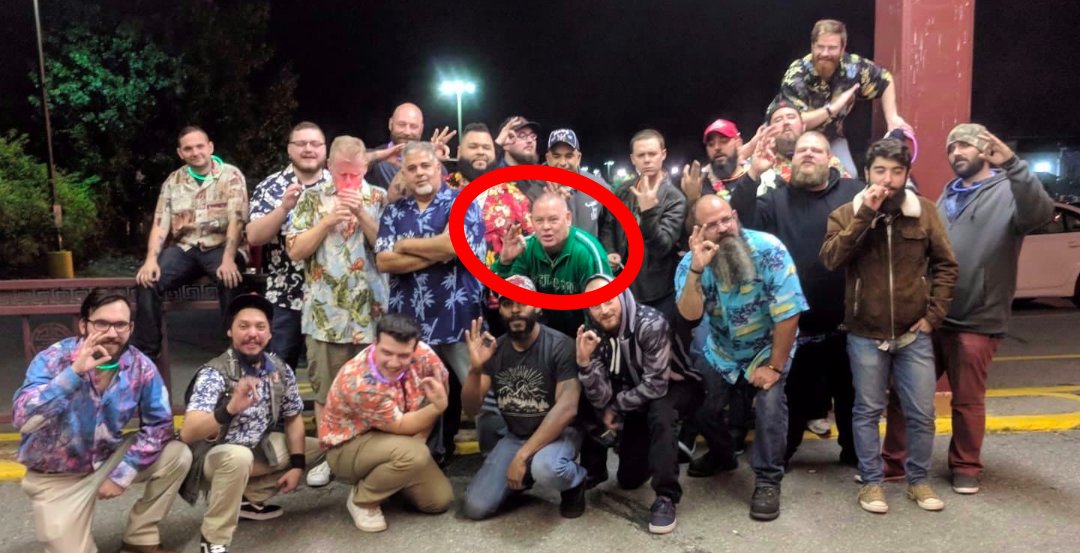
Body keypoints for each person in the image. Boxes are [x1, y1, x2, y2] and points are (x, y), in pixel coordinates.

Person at [879, 125, 1054, 495]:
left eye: (965, 145)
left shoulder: (1008, 191)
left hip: (978, 317)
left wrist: (1014, 164)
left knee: (967, 400)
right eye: (952, 147)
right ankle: (893, 462)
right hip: (931, 316)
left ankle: (965, 467)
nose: (957, 152)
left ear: (984, 150)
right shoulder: (948, 194)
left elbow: (1040, 213)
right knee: (905, 392)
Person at [820, 138, 958, 514]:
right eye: (880, 170)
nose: (888, 179)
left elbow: (946, 265)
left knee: (921, 413)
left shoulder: (924, 212)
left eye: (897, 172)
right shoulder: (846, 213)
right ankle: (871, 483)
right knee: (866, 411)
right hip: (864, 333)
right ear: (867, 173)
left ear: (906, 175)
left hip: (914, 333)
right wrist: (865, 215)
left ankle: (918, 481)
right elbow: (831, 259)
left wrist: (933, 316)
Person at [14, 290, 192, 553]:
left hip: (107, 458)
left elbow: (160, 426)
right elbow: (23, 419)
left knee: (177, 455)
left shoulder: (140, 366)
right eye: (101, 324)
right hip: (57, 476)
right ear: (83, 325)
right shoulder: (53, 359)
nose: (112, 333)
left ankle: (140, 538)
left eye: (120, 325)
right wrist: (74, 373)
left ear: (130, 328)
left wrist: (122, 474)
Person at [730, 131, 862, 466]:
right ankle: (782, 455)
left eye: (816, 150)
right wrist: (753, 173)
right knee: (793, 398)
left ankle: (853, 453)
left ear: (830, 158)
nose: (808, 154)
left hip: (846, 320)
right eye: (802, 150)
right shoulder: (775, 200)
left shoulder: (854, 193)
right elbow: (741, 222)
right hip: (794, 324)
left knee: (849, 394)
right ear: (792, 159)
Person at [675, 195, 807, 521]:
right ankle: (723, 456)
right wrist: (696, 269)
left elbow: (789, 312)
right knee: (699, 403)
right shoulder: (691, 263)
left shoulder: (769, 249)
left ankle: (768, 480)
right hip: (723, 351)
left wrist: (773, 366)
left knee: (769, 407)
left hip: (768, 347)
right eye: (712, 225)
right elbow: (689, 315)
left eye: (726, 219)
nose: (723, 228)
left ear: (735, 216)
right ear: (698, 232)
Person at [178, 294, 324, 553]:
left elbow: (293, 418)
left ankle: (247, 499)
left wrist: (297, 466)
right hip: (214, 457)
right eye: (243, 326)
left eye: (260, 327)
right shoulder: (214, 373)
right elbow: (189, 433)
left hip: (257, 448)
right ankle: (213, 540)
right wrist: (229, 409)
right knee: (238, 456)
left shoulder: (278, 369)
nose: (252, 334)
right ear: (230, 331)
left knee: (320, 448)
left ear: (269, 334)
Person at [374, 140, 487, 462]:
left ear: (439, 168)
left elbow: (455, 246)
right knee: (420, 392)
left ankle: (495, 453)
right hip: (411, 321)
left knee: (478, 391)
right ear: (404, 174)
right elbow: (384, 261)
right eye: (412, 168)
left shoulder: (463, 201)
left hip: (459, 316)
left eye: (426, 166)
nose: (420, 173)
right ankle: (428, 457)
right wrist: (439, 250)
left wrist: (405, 245)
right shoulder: (394, 211)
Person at [286, 135, 388, 485]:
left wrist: (361, 213)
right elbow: (295, 251)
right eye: (342, 173)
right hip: (324, 315)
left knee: (372, 390)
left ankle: (366, 458)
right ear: (328, 166)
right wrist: (327, 221)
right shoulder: (311, 198)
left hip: (371, 315)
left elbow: (388, 248)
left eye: (354, 174)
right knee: (326, 391)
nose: (348, 181)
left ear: (365, 168)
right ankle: (329, 456)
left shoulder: (379, 197)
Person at [576, 274, 709, 534]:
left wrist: (616, 407)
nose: (603, 310)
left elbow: (656, 385)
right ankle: (646, 452)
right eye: (595, 305)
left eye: (608, 300)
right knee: (629, 479)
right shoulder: (595, 335)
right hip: (636, 394)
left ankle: (666, 497)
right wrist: (585, 363)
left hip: (678, 385)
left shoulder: (650, 323)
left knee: (661, 412)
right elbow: (600, 398)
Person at [460, 275, 588, 520]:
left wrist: (521, 456)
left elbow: (568, 408)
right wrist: (475, 370)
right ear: (500, 310)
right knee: (476, 507)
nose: (515, 310)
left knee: (547, 468)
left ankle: (575, 482)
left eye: (523, 302)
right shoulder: (495, 350)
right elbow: (471, 408)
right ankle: (523, 476)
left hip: (559, 435)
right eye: (507, 303)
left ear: (537, 306)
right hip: (516, 436)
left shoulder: (560, 345)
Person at [319, 314, 453, 532]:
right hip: (348, 447)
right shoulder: (360, 381)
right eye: (387, 352)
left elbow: (440, 389)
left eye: (403, 355)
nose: (393, 362)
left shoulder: (425, 356)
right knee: (415, 454)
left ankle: (389, 480)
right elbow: (402, 425)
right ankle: (363, 500)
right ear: (375, 343)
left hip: (395, 441)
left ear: (415, 348)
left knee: (438, 501)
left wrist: (422, 436)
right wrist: (437, 409)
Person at [132, 126, 248, 360]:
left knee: (231, 279)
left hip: (221, 245)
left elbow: (237, 219)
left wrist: (228, 258)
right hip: (185, 247)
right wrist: (151, 260)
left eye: (200, 146)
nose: (195, 152)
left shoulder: (230, 175)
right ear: (180, 153)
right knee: (147, 281)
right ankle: (146, 354)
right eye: (188, 149)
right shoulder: (173, 181)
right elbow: (160, 223)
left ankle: (236, 351)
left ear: (210, 147)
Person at [246, 122, 330, 371]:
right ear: (289, 150)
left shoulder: (338, 185)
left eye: (315, 144)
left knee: (331, 375)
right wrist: (283, 208)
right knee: (278, 373)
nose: (308, 149)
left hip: (332, 297)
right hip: (285, 296)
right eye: (301, 144)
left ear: (325, 149)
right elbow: (254, 236)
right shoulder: (270, 187)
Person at [779, 19, 912, 176]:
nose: (825, 53)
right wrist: (832, 109)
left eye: (832, 48)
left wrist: (892, 117)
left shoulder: (852, 67)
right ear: (812, 46)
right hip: (794, 141)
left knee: (849, 176)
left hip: (831, 138)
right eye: (820, 47)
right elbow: (798, 121)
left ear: (842, 49)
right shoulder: (797, 74)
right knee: (796, 177)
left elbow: (885, 80)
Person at [493, 192, 611, 338]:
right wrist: (504, 262)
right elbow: (504, 298)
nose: (546, 227)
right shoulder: (524, 248)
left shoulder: (587, 252)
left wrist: (588, 341)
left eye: (553, 220)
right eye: (539, 220)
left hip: (584, 333)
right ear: (531, 221)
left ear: (568, 218)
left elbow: (603, 309)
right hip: (542, 335)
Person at [600, 129, 686, 320]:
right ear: (633, 159)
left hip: (658, 292)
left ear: (663, 154)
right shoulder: (623, 191)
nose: (647, 160)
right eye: (641, 155)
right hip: (623, 286)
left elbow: (662, 246)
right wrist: (609, 250)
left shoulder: (675, 198)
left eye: (652, 154)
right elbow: (608, 226)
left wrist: (648, 213)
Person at [545, 128, 612, 237]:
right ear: (548, 158)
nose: (562, 163)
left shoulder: (597, 185)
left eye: (569, 156)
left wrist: (605, 246)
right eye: (556, 156)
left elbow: (610, 225)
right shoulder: (535, 190)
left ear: (578, 158)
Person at [680, 119, 747, 203]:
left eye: (724, 141)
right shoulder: (700, 185)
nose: (717, 147)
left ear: (738, 143)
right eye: (711, 144)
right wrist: (692, 198)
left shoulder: (755, 177)